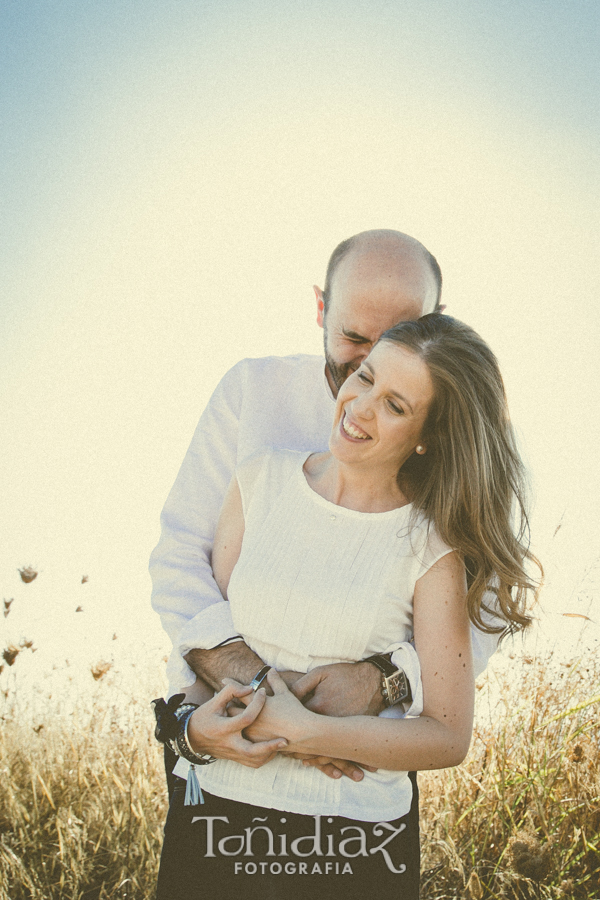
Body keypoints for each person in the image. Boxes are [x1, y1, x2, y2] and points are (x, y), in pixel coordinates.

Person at [154, 314, 540, 899]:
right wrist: (190, 732)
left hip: (353, 839)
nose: (359, 407)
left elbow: (447, 735)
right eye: (364, 377)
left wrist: (312, 734)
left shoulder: (433, 545)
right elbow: (209, 650)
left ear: (428, 435)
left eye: (395, 405)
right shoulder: (259, 480)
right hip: (214, 814)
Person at [150, 231, 501, 784]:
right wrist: (261, 693)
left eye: (403, 334)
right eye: (355, 338)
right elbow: (180, 558)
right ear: (320, 308)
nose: (374, 362)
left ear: (437, 319)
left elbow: (488, 598)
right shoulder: (252, 397)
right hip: (228, 763)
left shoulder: (463, 436)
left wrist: (384, 680)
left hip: (361, 785)